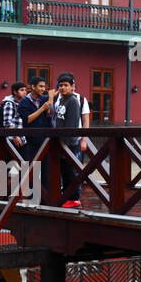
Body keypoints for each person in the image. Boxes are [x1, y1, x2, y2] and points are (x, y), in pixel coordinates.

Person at [53, 73, 85, 207]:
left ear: (72, 87)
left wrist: (65, 143)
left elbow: (71, 124)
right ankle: (66, 196)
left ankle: (74, 198)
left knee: (70, 171)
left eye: (66, 85)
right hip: (61, 141)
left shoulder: (72, 101)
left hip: (69, 143)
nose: (63, 88)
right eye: (60, 85)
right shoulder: (61, 100)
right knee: (64, 172)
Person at [0, 81, 28, 158]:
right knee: (13, 163)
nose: (25, 92)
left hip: (23, 138)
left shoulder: (23, 103)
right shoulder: (10, 103)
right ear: (15, 92)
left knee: (24, 162)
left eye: (25, 90)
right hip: (13, 139)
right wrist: (15, 136)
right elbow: (7, 122)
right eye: (22, 90)